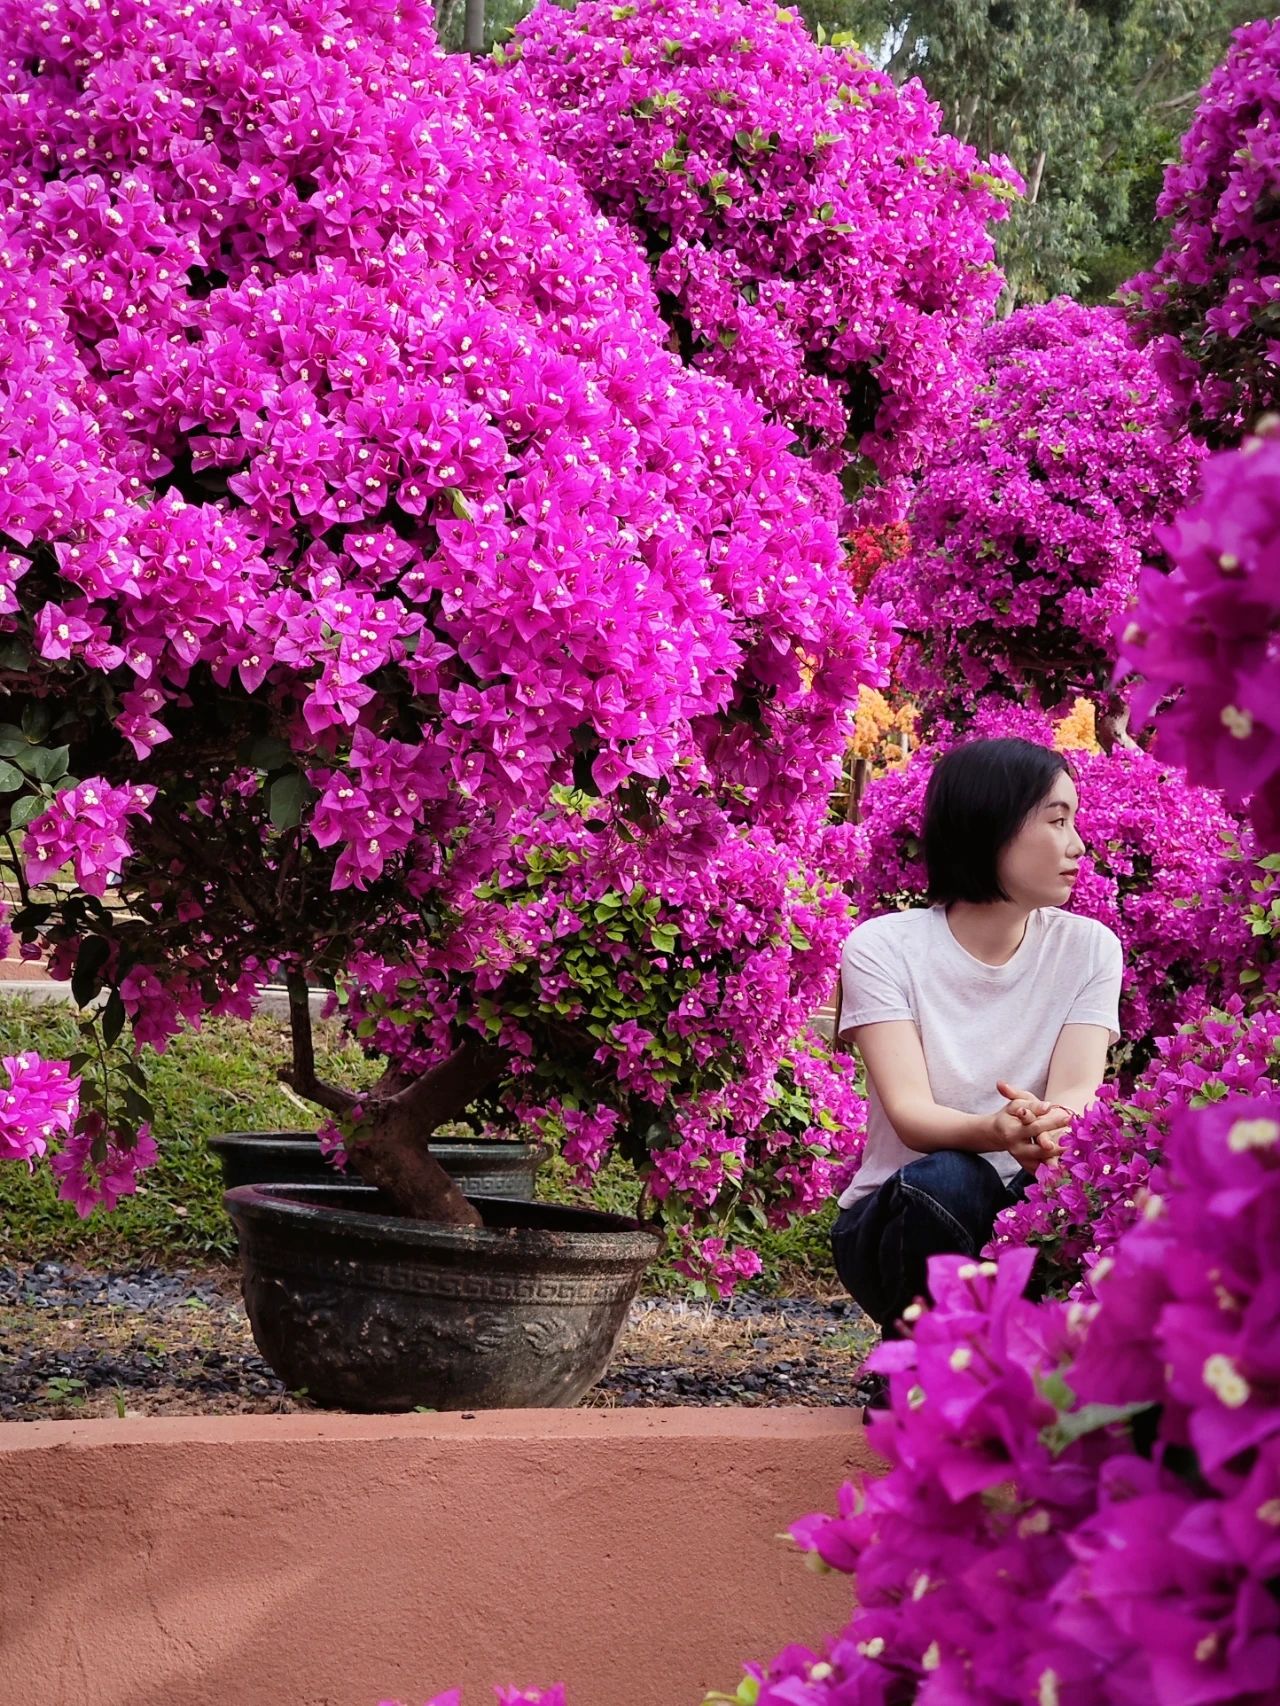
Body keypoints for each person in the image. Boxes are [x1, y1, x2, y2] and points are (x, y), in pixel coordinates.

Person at [831, 736, 1123, 1344]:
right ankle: (918, 1366)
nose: (1077, 845)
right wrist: (995, 1131)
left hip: (1022, 1214)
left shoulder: (1089, 948)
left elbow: (1078, 1090)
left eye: (1076, 821)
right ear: (991, 825)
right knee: (953, 1177)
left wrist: (1043, 1123)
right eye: (1057, 821)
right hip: (900, 1221)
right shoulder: (884, 949)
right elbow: (911, 1114)